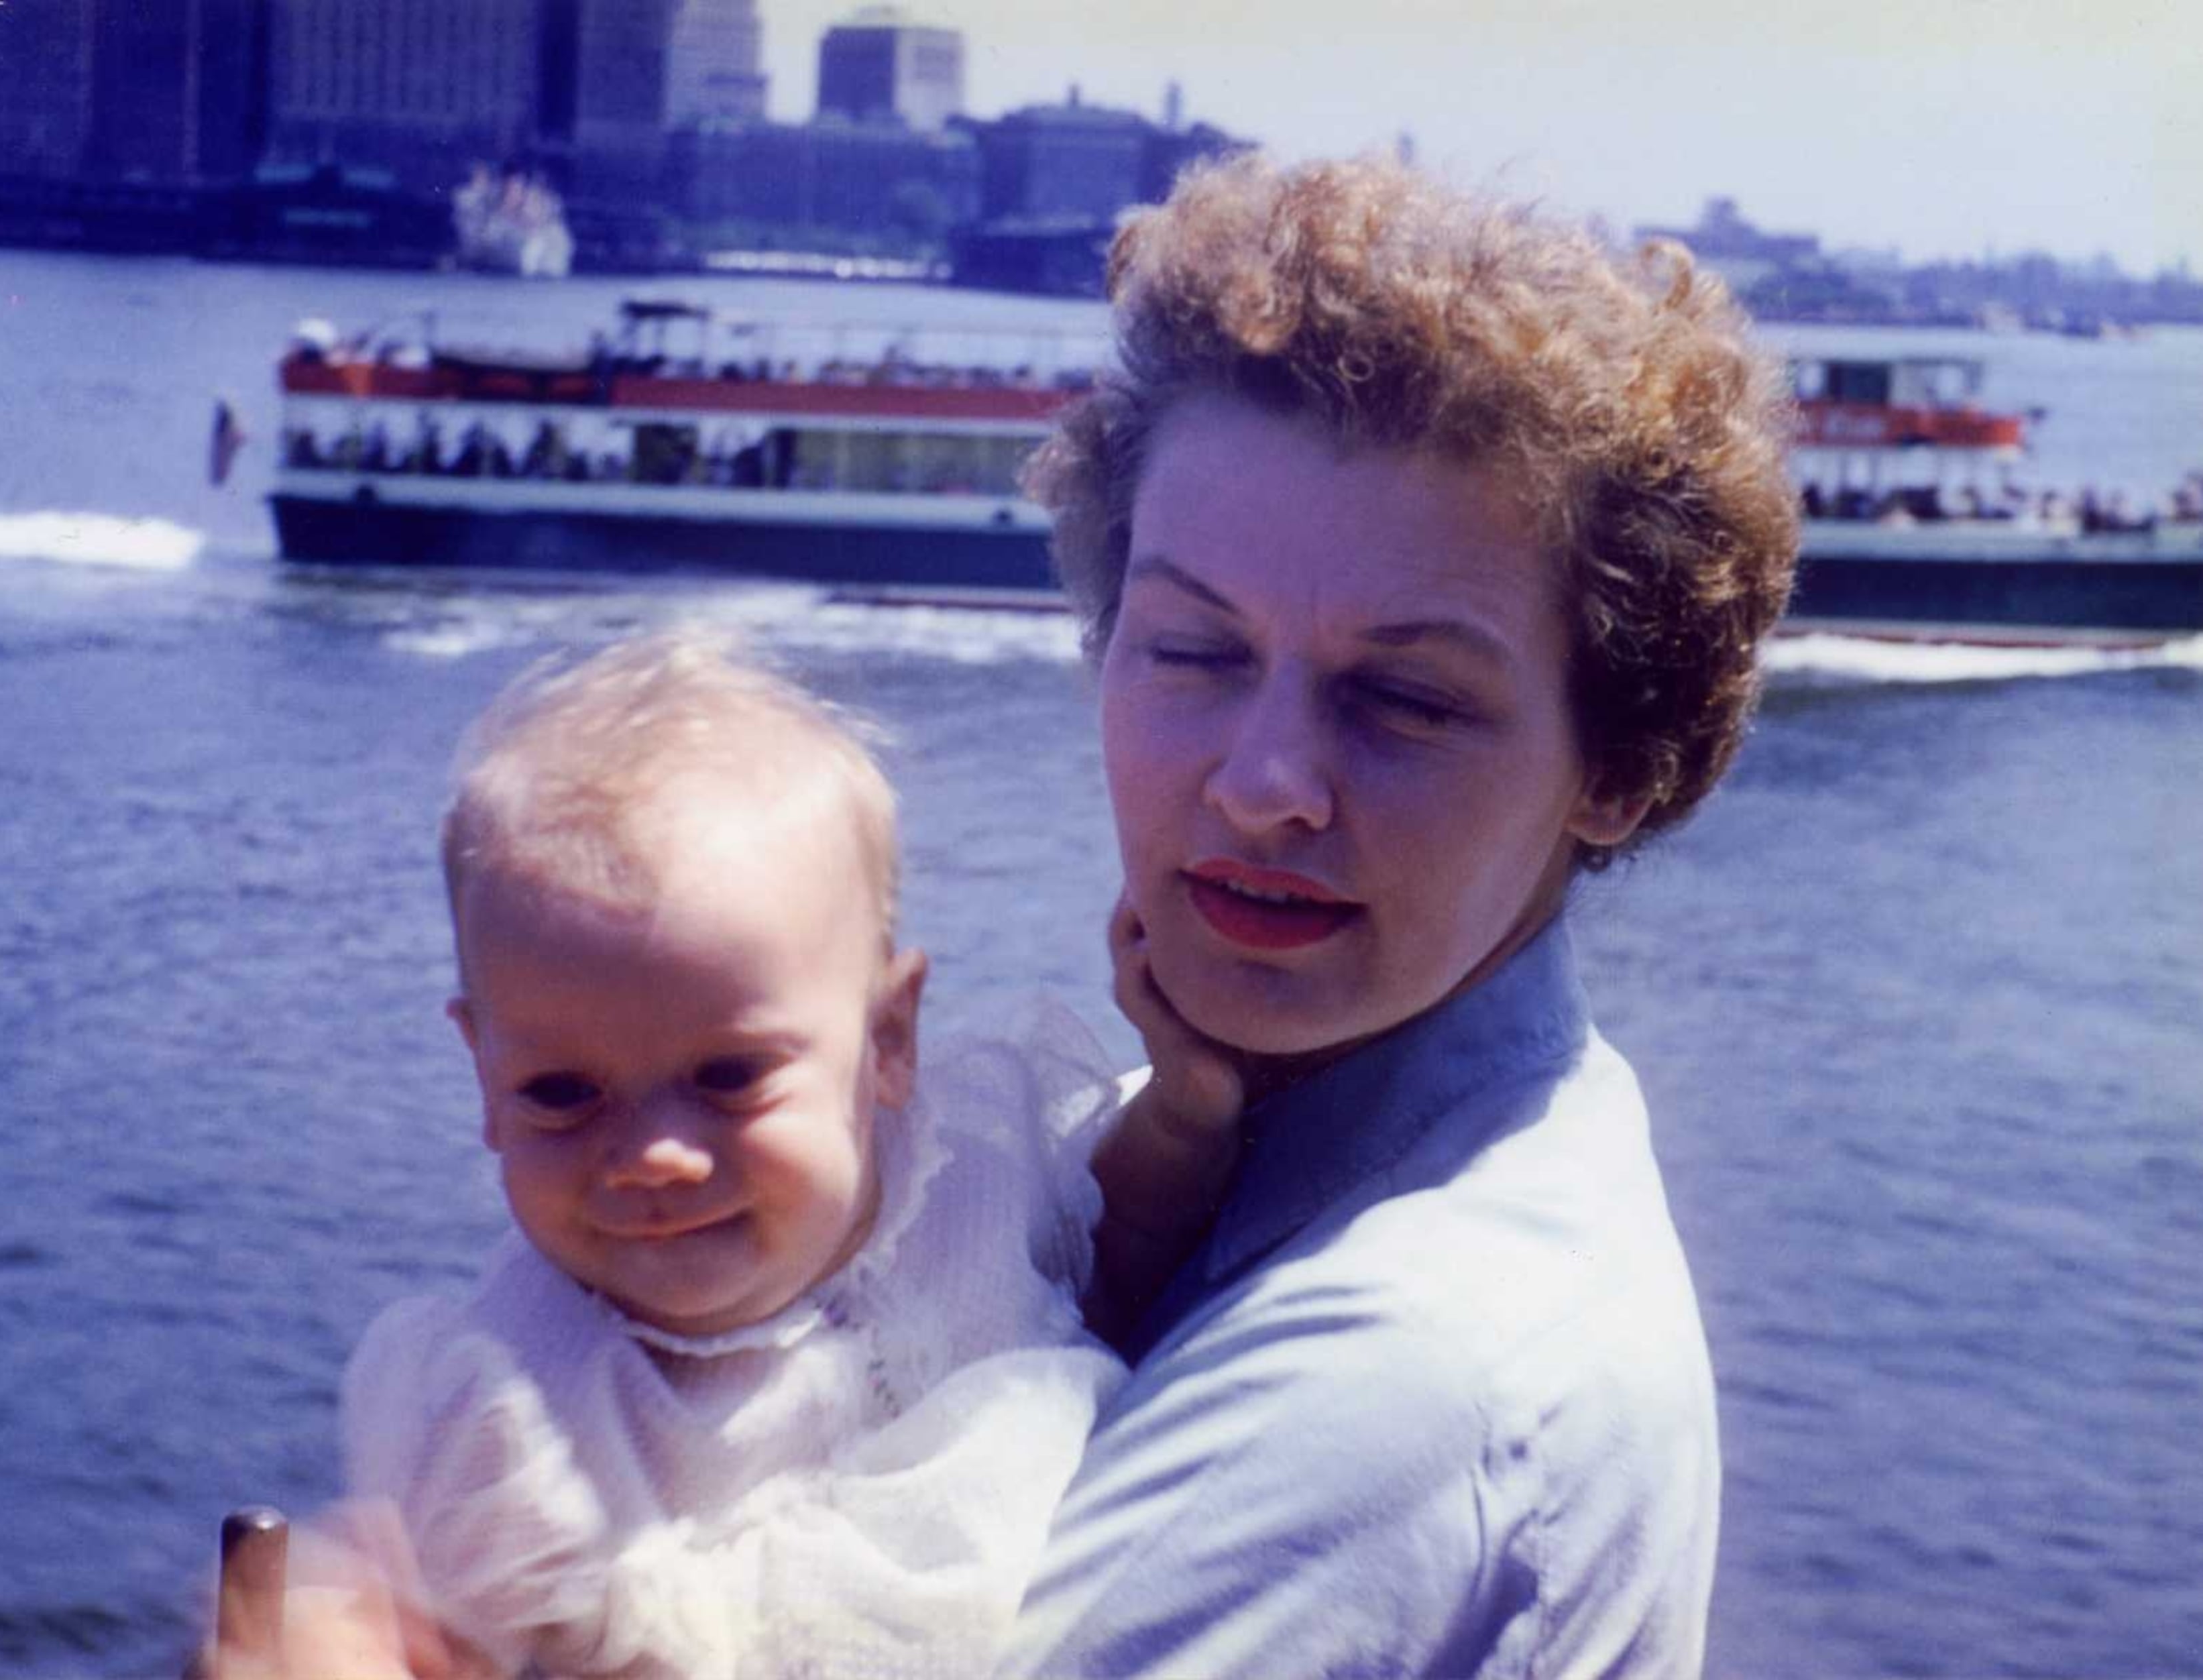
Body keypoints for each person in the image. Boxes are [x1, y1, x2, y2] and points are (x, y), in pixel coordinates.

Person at [993, 152, 1798, 1677]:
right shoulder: (1207, 1144)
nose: (1268, 785)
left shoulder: (1404, 1371)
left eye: (1407, 697)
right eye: (1189, 650)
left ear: (1616, 765)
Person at [303, 633, 1223, 1680]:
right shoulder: (513, 1403)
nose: (654, 1155)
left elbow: (1119, 1253)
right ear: (484, 1076)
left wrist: (1190, 1111)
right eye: (561, 1094)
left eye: (729, 1077)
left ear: (886, 1039)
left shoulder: (977, 1157)